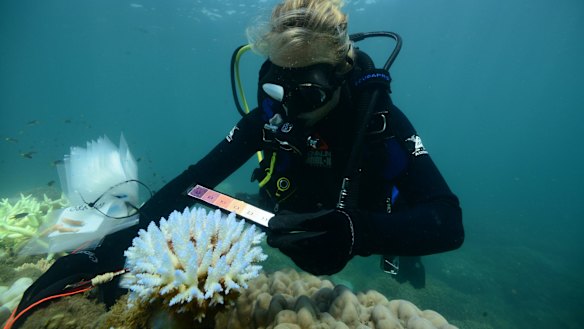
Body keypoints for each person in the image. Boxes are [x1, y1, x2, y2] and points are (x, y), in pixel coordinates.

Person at [10, 0, 463, 327]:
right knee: (235, 201)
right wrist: (105, 249)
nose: (289, 109)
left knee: (406, 245)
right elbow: (194, 183)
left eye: (305, 95)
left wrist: (360, 232)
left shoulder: (379, 120)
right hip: (288, 209)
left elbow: (447, 220)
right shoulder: (271, 115)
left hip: (365, 217)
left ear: (340, 76)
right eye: (275, 89)